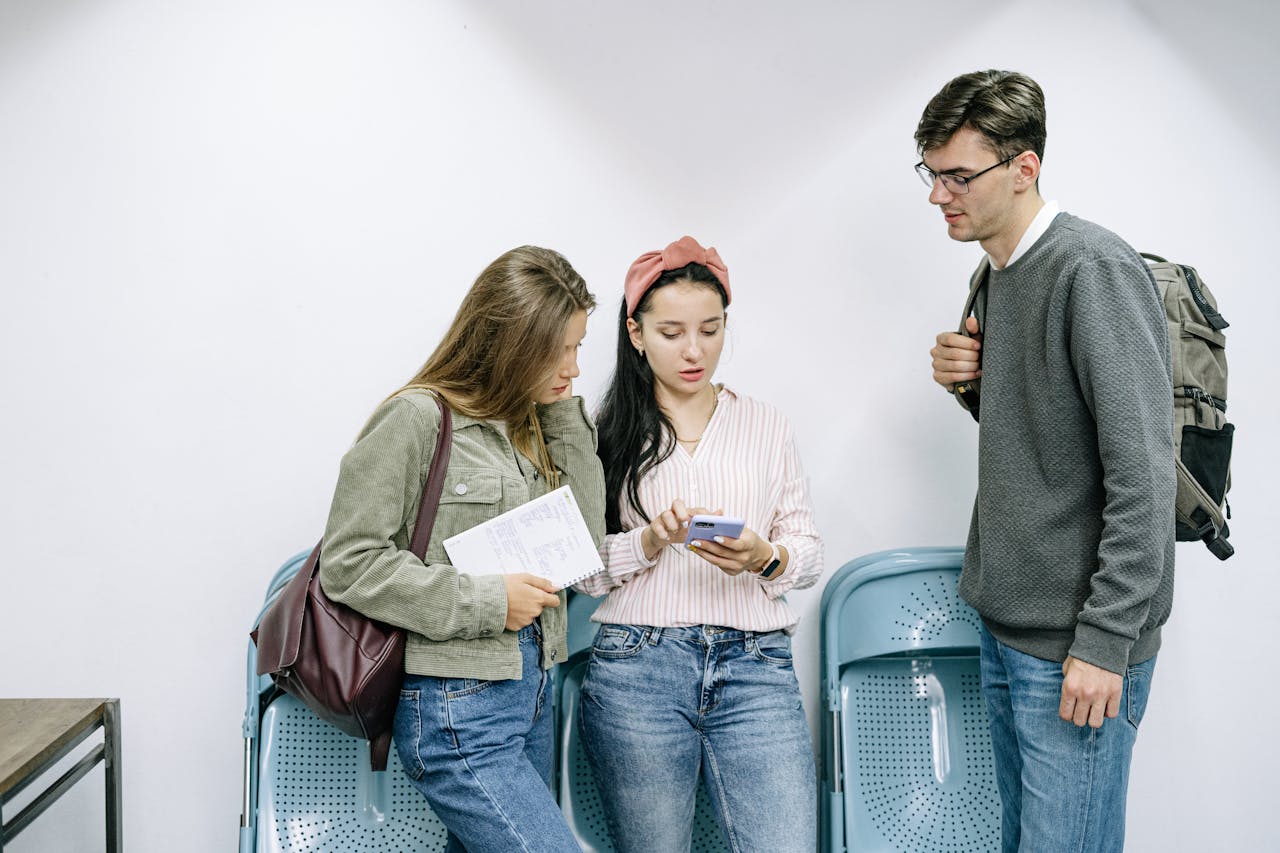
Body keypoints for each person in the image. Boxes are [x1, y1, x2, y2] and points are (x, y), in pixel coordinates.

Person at [919, 71, 1175, 852]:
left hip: (1076, 644)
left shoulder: (1090, 268)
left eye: (959, 175)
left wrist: (1103, 643)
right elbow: (1044, 437)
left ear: (1024, 168)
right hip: (1008, 628)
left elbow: (1145, 476)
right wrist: (972, 385)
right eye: (931, 174)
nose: (939, 196)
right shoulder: (992, 272)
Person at [318, 246, 604, 853]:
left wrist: (561, 418)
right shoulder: (417, 419)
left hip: (532, 697)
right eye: (560, 349)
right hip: (457, 712)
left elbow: (588, 540)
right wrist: (486, 601)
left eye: (578, 347)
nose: (574, 367)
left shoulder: (531, 422)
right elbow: (349, 562)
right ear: (512, 342)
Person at [575, 235, 824, 853]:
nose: (695, 351)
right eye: (671, 332)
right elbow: (578, 572)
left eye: (710, 331)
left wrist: (767, 556)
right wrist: (649, 541)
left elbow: (808, 547)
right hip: (637, 669)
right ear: (635, 333)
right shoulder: (602, 431)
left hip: (756, 666)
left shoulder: (767, 423)